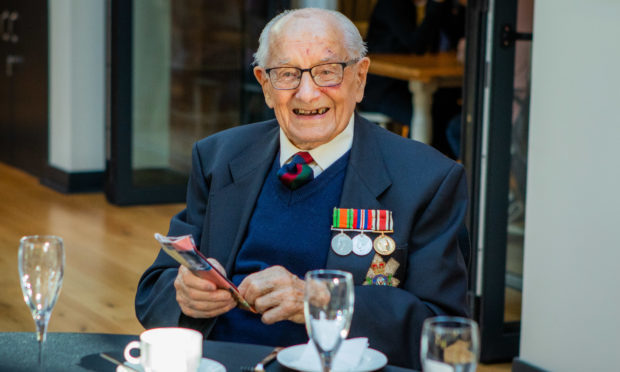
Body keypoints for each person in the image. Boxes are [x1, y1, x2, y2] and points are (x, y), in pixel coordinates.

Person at [135, 8, 468, 370]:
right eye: (287, 74)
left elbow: (444, 333)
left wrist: (322, 302)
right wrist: (184, 294)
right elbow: (154, 290)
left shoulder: (427, 179)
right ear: (264, 84)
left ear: (360, 78)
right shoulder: (219, 157)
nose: (307, 93)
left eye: (327, 72)